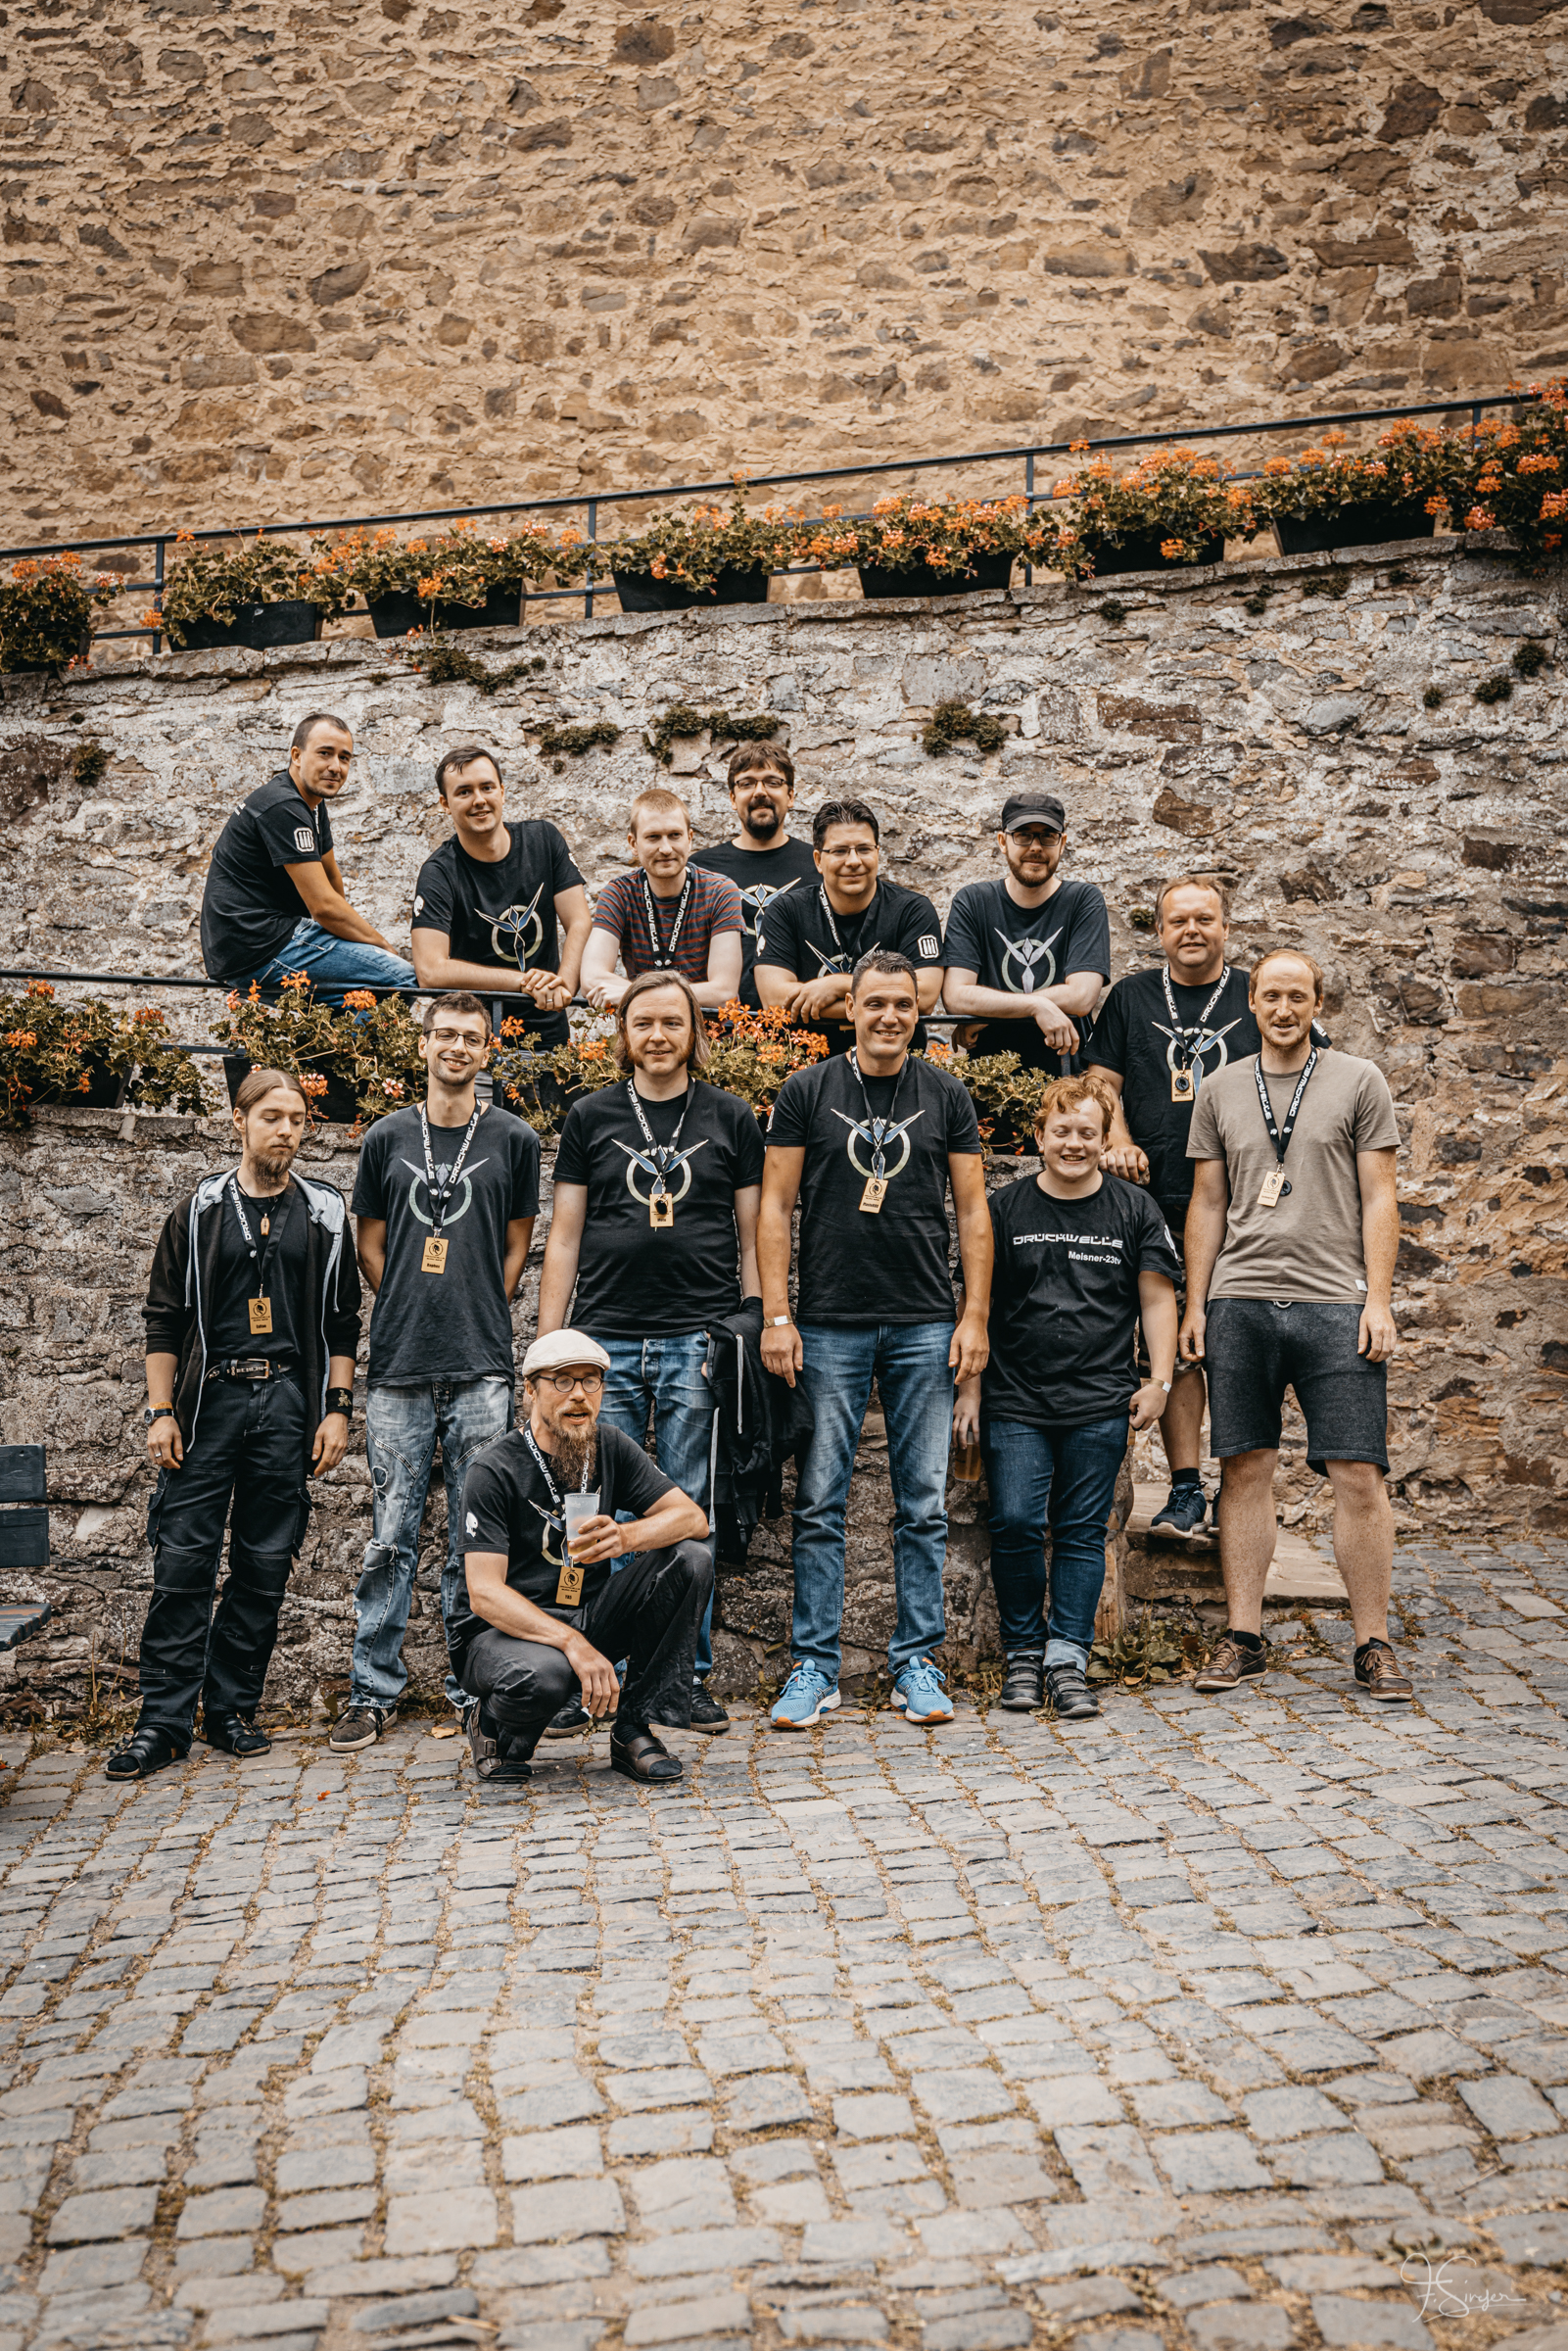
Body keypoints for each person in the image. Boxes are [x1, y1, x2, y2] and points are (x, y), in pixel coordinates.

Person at [758, 949, 992, 1729]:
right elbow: (773, 1208)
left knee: (921, 1505)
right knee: (818, 1502)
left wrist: (973, 1316)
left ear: (916, 1013)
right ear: (850, 1010)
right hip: (828, 1323)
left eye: (902, 1004)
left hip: (924, 1322)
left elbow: (973, 1212)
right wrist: (777, 1316)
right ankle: (813, 1666)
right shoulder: (806, 1090)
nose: (889, 1016)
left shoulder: (945, 1092)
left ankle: (915, 1661)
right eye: (874, 1004)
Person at [108, 1069, 361, 1781]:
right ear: (239, 1122)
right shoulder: (199, 1211)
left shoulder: (325, 1212)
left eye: (297, 1120)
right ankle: (162, 1724)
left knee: (263, 1565)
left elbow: (343, 1322)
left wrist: (337, 1409)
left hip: (285, 1402)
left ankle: (229, 1711)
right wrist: (161, 1411)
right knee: (182, 1564)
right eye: (272, 1117)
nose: (286, 1130)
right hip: (208, 1404)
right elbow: (164, 1319)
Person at [538, 969, 764, 1734]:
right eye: (644, 1023)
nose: (658, 1035)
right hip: (601, 1343)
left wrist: (754, 1320)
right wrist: (551, 1345)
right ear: (623, 1035)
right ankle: (593, 1672)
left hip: (696, 1340)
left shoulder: (730, 1116)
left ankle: (679, 1677)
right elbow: (564, 1237)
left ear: (694, 1034)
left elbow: (752, 1234)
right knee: (591, 1510)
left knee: (688, 1511)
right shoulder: (590, 1116)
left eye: (673, 1022)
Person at [1181, 949, 1409, 1703]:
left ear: (1317, 1003)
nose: (1283, 1009)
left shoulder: (1358, 1080)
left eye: (1297, 996)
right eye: (1271, 995)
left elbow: (1380, 1197)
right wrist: (1194, 1305)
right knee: (1244, 1469)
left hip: (1335, 1305)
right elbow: (1207, 1202)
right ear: (1250, 1002)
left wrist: (1378, 1301)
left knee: (1358, 1475)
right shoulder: (1218, 1088)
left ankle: (1372, 1643)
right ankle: (1243, 1637)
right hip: (1239, 1303)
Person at [333, 992, 541, 1751]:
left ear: (487, 1051)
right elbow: (370, 1244)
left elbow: (517, 1245)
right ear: (422, 1045)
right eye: (444, 1035)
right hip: (399, 1365)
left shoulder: (514, 1138)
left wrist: (477, 1300)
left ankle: (473, 1688)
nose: (456, 1047)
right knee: (390, 1537)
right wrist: (407, 1303)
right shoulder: (386, 1137)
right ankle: (372, 1691)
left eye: (470, 1038)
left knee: (472, 1541)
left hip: (482, 1363)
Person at [955, 1075, 1180, 1719]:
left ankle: (1067, 1660)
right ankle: (1024, 1655)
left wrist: (1159, 1381)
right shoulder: (1004, 1209)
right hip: (1015, 1399)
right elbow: (975, 1306)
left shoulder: (1134, 1209)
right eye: (1061, 1132)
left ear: (1105, 1140)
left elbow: (1156, 1300)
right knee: (1016, 1524)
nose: (1073, 1144)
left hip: (1099, 1399)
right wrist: (969, 1391)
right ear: (1039, 1136)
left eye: (1087, 1132)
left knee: (1082, 1531)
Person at [452, 1329, 712, 1785]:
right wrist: (574, 1645)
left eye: (590, 1381)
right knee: (546, 1676)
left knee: (691, 1560)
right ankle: (490, 1723)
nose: (579, 1395)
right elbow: (484, 1594)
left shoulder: (610, 1446)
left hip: (587, 1613)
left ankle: (632, 1729)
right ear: (530, 1389)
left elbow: (693, 1519)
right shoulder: (492, 1469)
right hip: (501, 1633)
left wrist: (627, 1537)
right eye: (563, 1381)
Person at [1087, 873, 1262, 1546]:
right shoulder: (1132, 996)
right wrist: (1118, 1137)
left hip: (1243, 1204)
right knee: (1176, 1349)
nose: (1191, 930)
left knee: (1236, 1344)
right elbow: (1100, 1081)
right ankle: (1186, 1488)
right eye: (1178, 920)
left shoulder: (1254, 995)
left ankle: (1237, 1490)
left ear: (1225, 928)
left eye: (1204, 919)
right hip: (1151, 1198)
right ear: (1159, 931)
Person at [200, 713, 416, 1005]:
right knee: (401, 980)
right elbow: (323, 907)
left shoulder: (312, 805)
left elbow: (331, 878)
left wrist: (353, 944)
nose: (335, 767)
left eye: (344, 757)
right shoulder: (282, 805)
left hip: (258, 943)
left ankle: (339, 1037)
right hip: (257, 945)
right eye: (325, 753)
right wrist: (382, 947)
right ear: (297, 756)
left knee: (359, 1000)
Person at [409, 744, 593, 1047]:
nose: (479, 800)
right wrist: (523, 982)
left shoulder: (544, 840)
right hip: (475, 1040)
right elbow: (430, 970)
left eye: (487, 787)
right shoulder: (439, 872)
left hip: (549, 1032)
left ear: (502, 792)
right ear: (445, 804)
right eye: (464, 792)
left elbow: (579, 921)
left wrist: (564, 985)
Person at [754, 798, 946, 1050]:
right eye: (840, 851)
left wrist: (839, 984)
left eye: (864, 849)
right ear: (818, 860)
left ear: (877, 853)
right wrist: (884, 1003)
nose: (854, 861)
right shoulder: (785, 911)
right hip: (804, 1065)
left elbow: (925, 997)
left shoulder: (913, 910)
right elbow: (776, 1000)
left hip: (894, 1064)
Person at [942, 792, 1110, 1074]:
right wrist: (1036, 1006)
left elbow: (1081, 996)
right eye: (1023, 835)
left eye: (1047, 836)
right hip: (989, 1079)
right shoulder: (973, 901)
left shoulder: (1083, 900)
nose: (1035, 847)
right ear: (1002, 842)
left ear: (1062, 843)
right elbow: (955, 996)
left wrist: (990, 1014)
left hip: (1066, 1075)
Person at [581, 788, 744, 1012]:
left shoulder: (720, 891)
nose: (666, 849)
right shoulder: (619, 893)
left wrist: (635, 993)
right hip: (646, 1026)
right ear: (633, 844)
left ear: (689, 839)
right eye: (653, 837)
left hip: (710, 1031)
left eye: (675, 835)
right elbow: (591, 978)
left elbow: (724, 992)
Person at [689, 743, 819, 1010]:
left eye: (772, 782)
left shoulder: (819, 865)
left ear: (790, 796)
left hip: (799, 1022)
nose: (760, 792)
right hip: (720, 1025)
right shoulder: (700, 869)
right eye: (747, 783)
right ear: (732, 798)